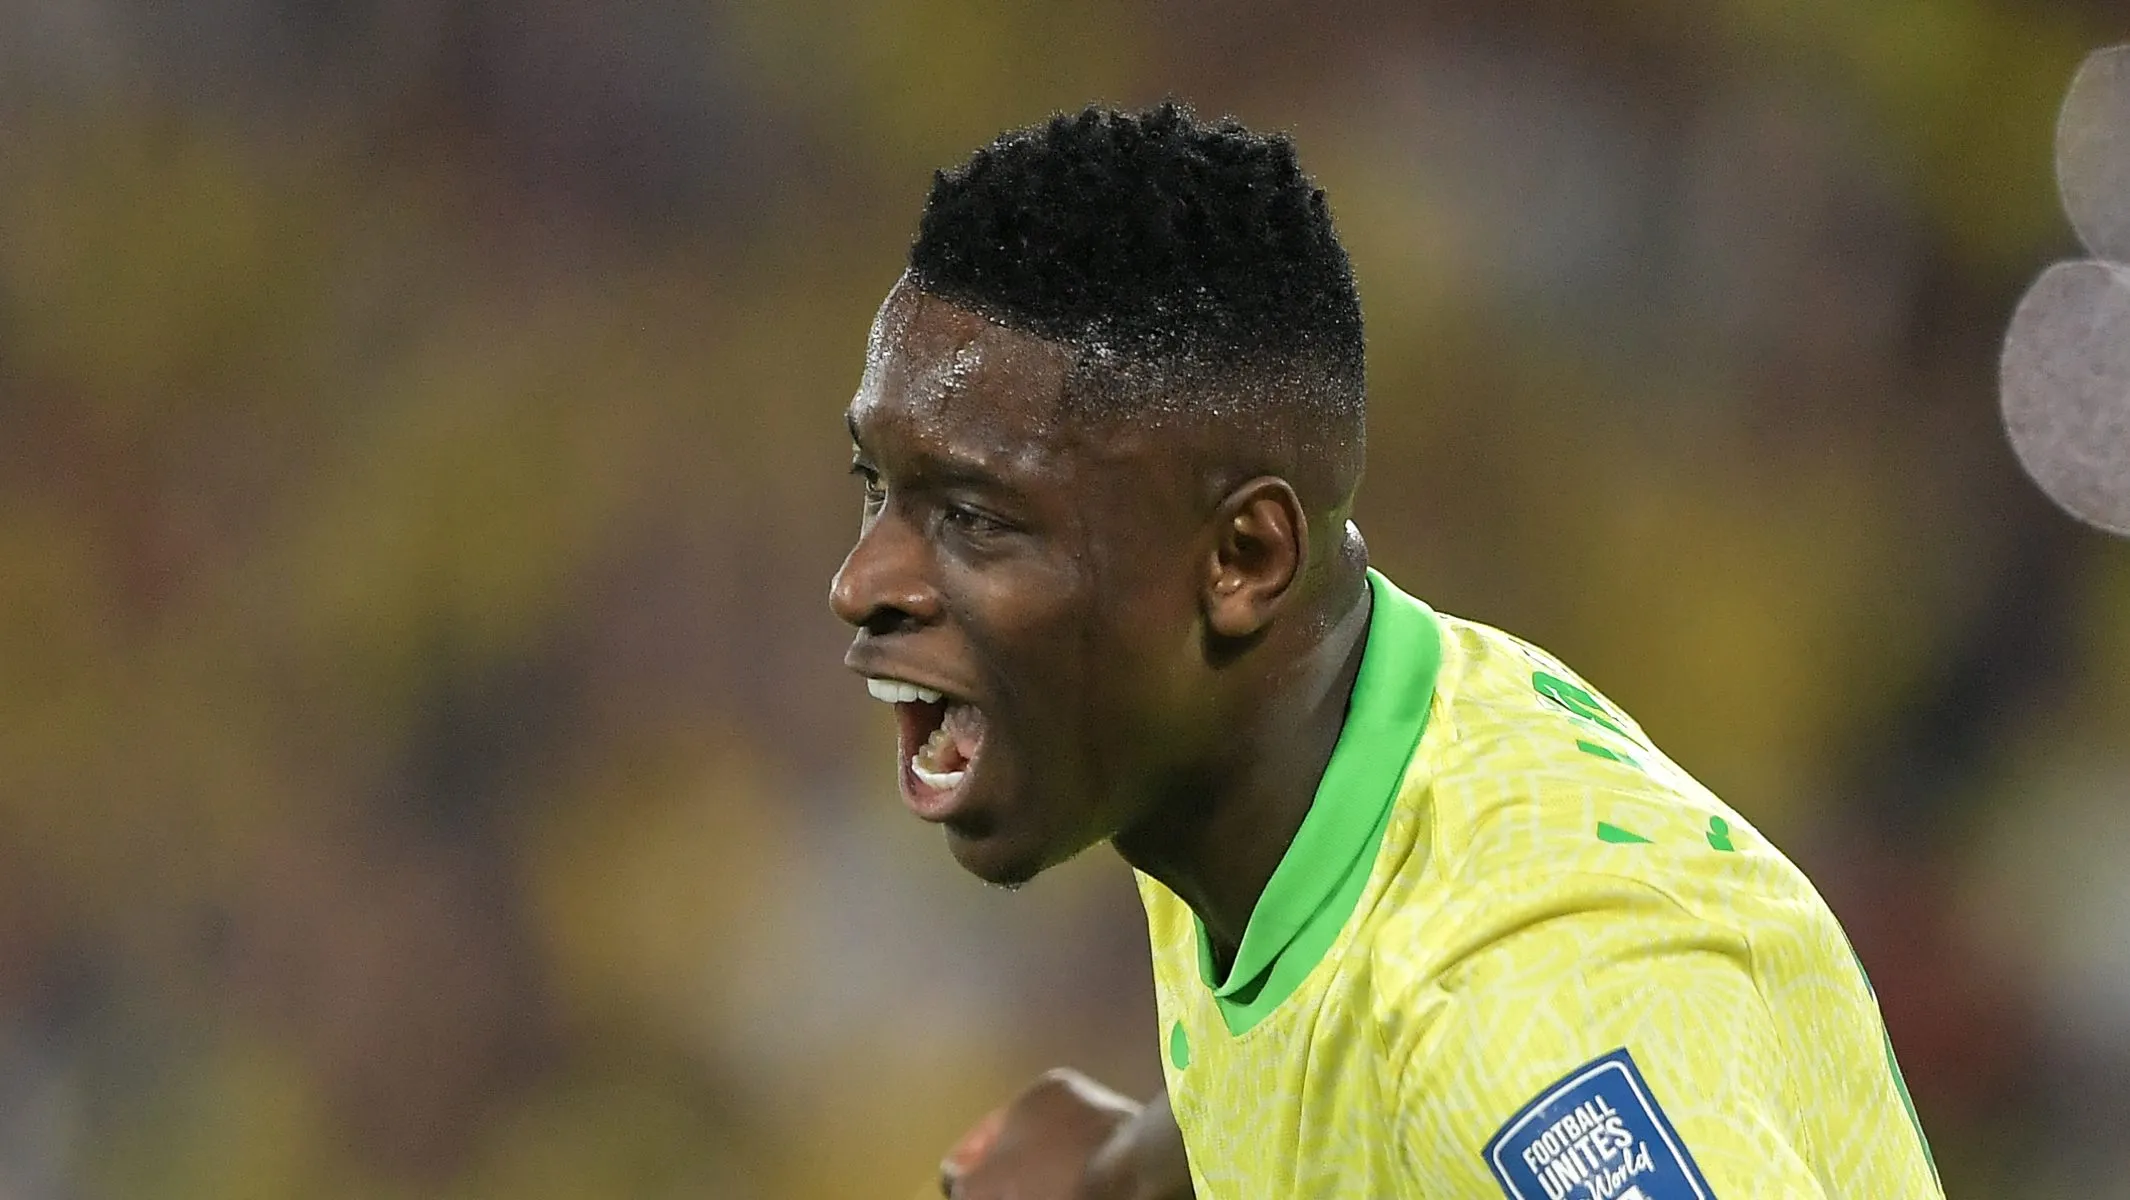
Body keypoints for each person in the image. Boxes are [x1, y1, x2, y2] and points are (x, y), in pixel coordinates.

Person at [828, 103, 1945, 1200]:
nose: (860, 583)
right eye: (876, 487)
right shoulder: (1270, 765)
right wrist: (1131, 1171)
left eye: (975, 516)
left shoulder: (1530, 1016)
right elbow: (1338, 1051)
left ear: (1244, 561)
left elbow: (1455, 1050)